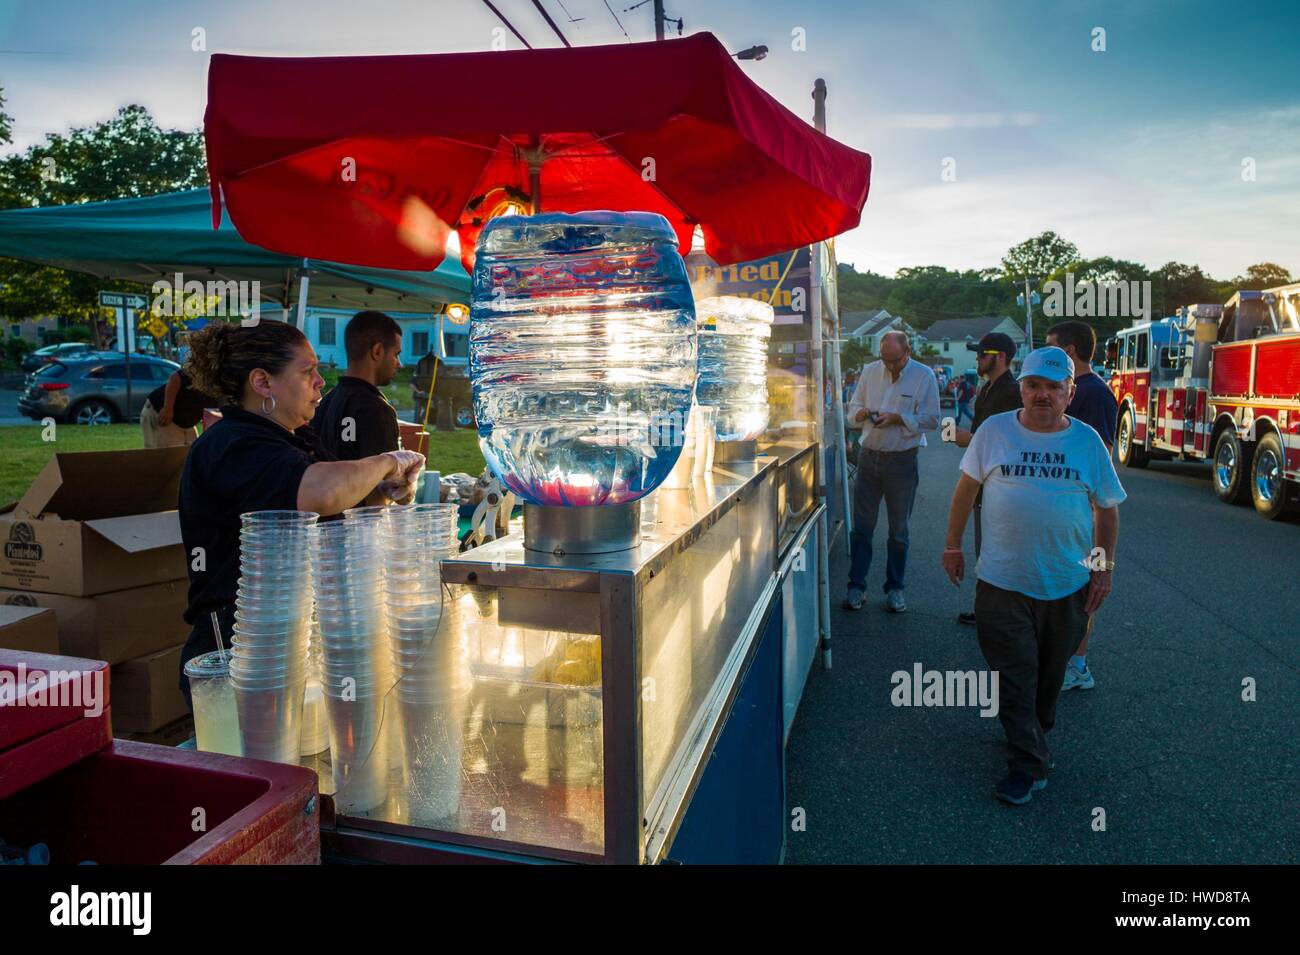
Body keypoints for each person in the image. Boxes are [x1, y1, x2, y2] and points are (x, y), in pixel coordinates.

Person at [176, 320, 423, 708]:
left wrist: (384, 489)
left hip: (290, 646)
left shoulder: (295, 439)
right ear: (263, 383)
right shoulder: (232, 445)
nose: (320, 382)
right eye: (307, 372)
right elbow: (321, 492)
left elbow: (343, 504)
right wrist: (388, 460)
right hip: (239, 658)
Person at [940, 346, 1125, 804]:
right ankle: (1028, 764)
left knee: (1048, 675)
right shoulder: (994, 432)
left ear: (1070, 391)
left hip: (1067, 582)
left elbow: (1107, 509)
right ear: (1021, 388)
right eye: (1033, 386)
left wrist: (1102, 568)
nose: (1042, 395)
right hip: (1002, 581)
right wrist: (951, 545)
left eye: (1052, 387)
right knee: (1013, 672)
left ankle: (1031, 734)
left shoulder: (1087, 442)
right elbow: (966, 489)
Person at [843, 330, 941, 613]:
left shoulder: (924, 375)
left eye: (895, 361)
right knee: (862, 528)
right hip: (869, 456)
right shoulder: (871, 371)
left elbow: (933, 420)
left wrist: (898, 418)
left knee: (898, 531)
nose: (890, 366)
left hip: (902, 460)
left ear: (907, 353)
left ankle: (895, 588)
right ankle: (856, 587)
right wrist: (860, 414)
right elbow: (854, 409)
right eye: (885, 360)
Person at [1045, 321, 1119, 691]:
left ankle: (1078, 666)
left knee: (1086, 589)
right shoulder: (1064, 389)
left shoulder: (1097, 393)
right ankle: (1060, 656)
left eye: (1053, 348)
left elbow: (1102, 456)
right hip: (1063, 514)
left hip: (1086, 516)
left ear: (1070, 352)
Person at [950, 332, 1023, 625]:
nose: (977, 359)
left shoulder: (1012, 392)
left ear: (1000, 356)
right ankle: (987, 611)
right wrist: (967, 439)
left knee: (998, 553)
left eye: (982, 354)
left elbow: (1009, 440)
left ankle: (999, 616)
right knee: (987, 553)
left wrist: (968, 437)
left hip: (1000, 488)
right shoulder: (988, 388)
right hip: (984, 485)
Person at [312, 310, 404, 461]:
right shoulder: (377, 410)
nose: (399, 364)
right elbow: (386, 481)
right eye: (396, 354)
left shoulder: (325, 402)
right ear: (377, 351)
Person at [140, 368, 216, 448]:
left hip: (185, 420)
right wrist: (168, 408)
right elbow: (176, 377)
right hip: (162, 413)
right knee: (165, 456)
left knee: (190, 454)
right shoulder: (215, 369)